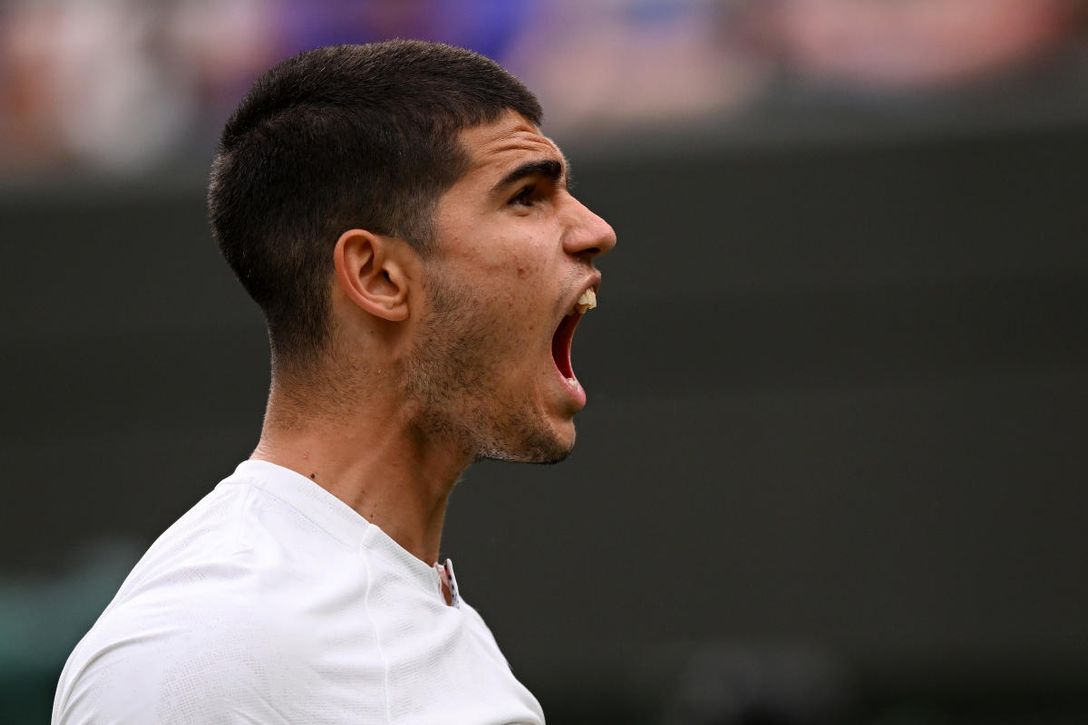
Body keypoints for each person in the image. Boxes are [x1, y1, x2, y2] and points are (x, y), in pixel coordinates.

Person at [52, 40, 615, 724]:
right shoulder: (198, 650)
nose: (595, 229)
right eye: (526, 196)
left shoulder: (444, 629)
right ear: (378, 277)